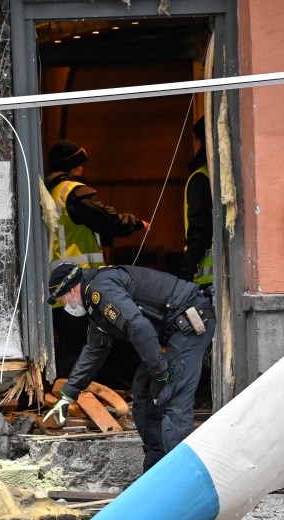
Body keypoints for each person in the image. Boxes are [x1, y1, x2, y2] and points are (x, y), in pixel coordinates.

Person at [44, 263, 215, 472]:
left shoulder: (101, 289)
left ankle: (181, 479)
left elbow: (138, 326)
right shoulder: (94, 304)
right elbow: (94, 350)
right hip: (172, 330)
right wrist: (68, 395)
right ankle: (156, 473)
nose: (65, 306)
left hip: (190, 320)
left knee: (172, 397)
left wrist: (160, 373)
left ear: (70, 290)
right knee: (143, 395)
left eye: (62, 300)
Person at [45, 140, 149, 383]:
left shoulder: (49, 193)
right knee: (85, 345)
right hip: (79, 284)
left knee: (73, 346)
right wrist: (133, 223)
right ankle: (73, 396)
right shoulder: (72, 192)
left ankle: (64, 395)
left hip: (61, 285)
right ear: (75, 166)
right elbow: (105, 218)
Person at [180, 117, 214, 286]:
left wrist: (186, 270)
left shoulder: (200, 178)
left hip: (205, 278)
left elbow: (198, 229)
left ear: (199, 140)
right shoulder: (215, 175)